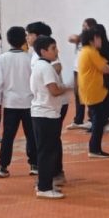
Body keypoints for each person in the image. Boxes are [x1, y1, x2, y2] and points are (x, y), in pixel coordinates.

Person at [0, 26, 37, 177]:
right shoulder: (30, 58)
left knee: (8, 136)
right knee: (31, 135)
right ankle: (34, 164)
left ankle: (2, 166)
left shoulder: (2, 58)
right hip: (29, 103)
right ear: (24, 39)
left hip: (10, 103)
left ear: (8, 40)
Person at [30, 36, 68, 199]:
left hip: (43, 113)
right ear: (43, 51)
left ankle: (45, 183)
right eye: (53, 48)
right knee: (47, 152)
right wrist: (68, 87)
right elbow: (54, 90)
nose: (57, 51)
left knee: (46, 151)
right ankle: (44, 188)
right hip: (46, 114)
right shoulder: (46, 68)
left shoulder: (40, 66)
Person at [77, 26, 109, 158]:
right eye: (98, 38)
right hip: (93, 91)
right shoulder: (90, 51)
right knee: (98, 120)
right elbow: (105, 68)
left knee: (100, 117)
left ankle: (95, 148)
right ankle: (94, 149)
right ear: (92, 40)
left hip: (93, 90)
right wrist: (108, 70)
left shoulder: (87, 51)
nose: (101, 40)